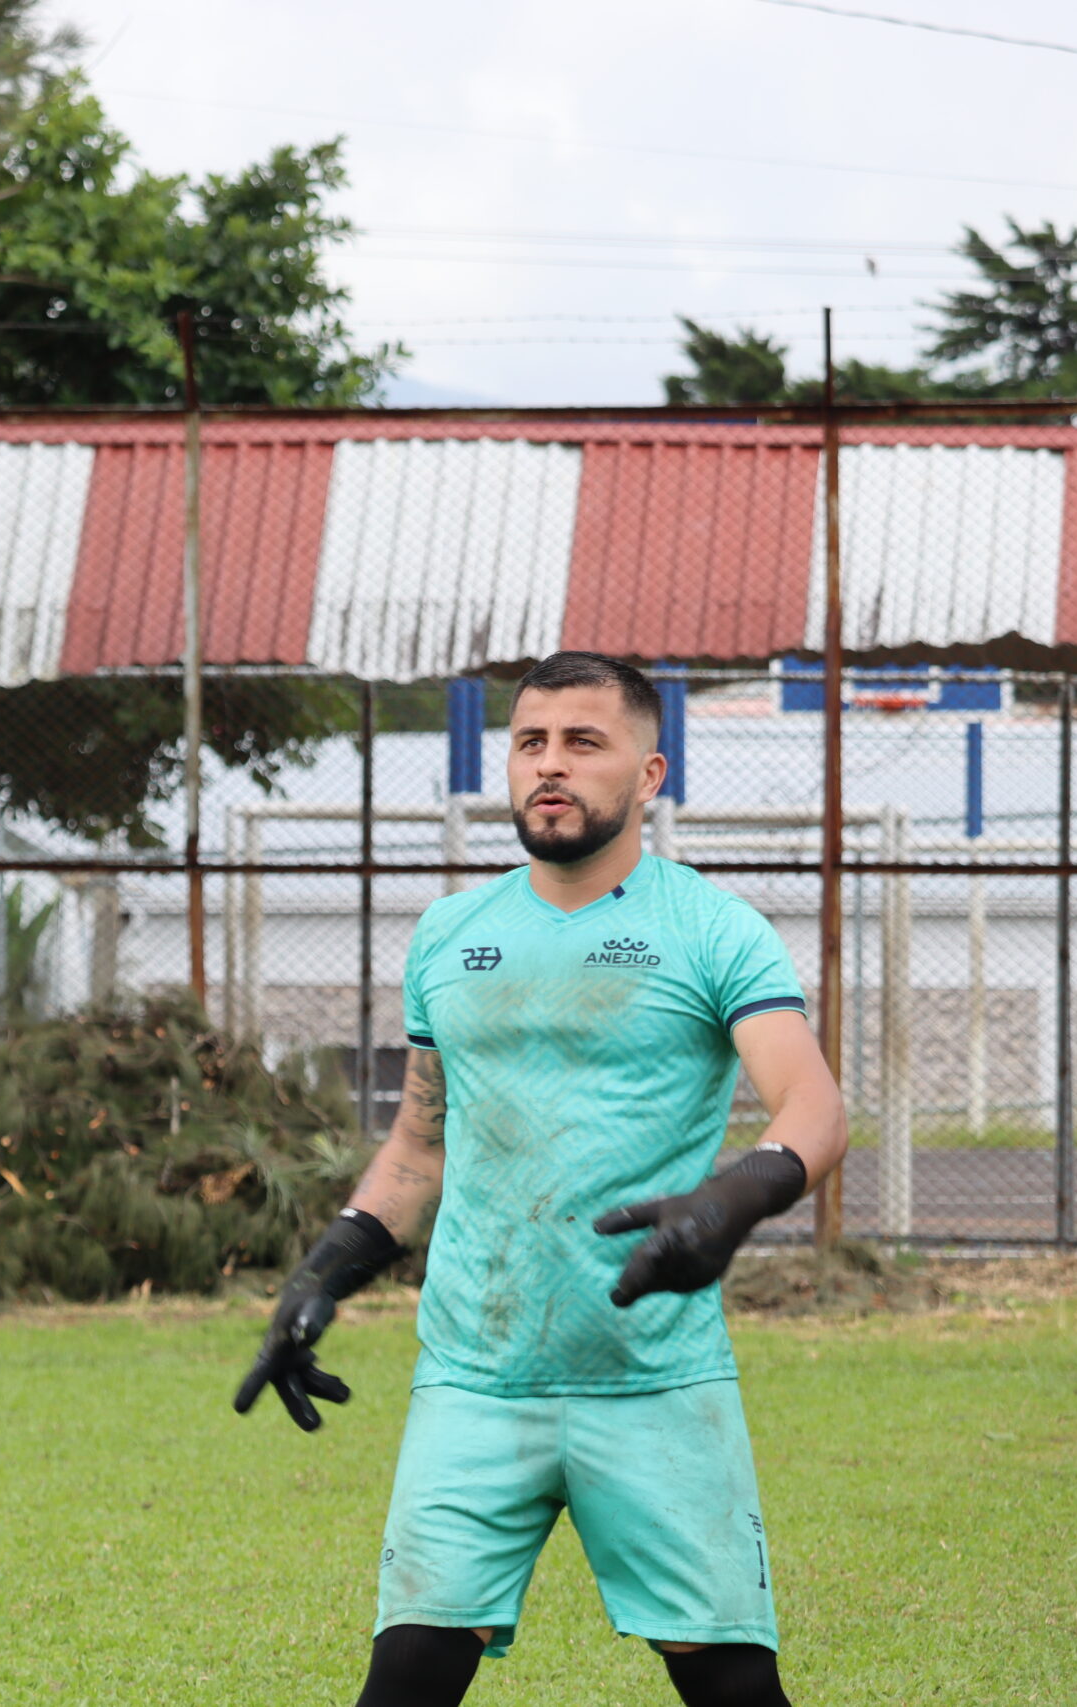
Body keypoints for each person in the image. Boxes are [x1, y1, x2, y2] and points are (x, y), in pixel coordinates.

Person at [235, 651, 846, 1707]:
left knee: (734, 1689)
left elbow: (814, 1105)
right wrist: (324, 1272)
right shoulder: (451, 934)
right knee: (404, 1681)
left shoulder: (712, 929)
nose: (549, 765)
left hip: (655, 1379)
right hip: (474, 1378)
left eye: (582, 742)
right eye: (530, 742)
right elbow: (418, 1146)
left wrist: (733, 1198)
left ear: (649, 774)